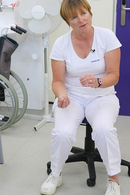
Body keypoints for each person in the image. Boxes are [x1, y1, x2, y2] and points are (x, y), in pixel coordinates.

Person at [40, 0, 122, 195]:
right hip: (72, 96)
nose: (81, 20)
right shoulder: (61, 43)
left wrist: (98, 82)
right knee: (62, 132)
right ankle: (56, 174)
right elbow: (58, 81)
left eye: (83, 14)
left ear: (90, 13)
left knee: (104, 130)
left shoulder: (107, 37)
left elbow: (114, 75)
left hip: (102, 96)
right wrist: (62, 95)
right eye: (74, 17)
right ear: (68, 21)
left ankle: (113, 180)